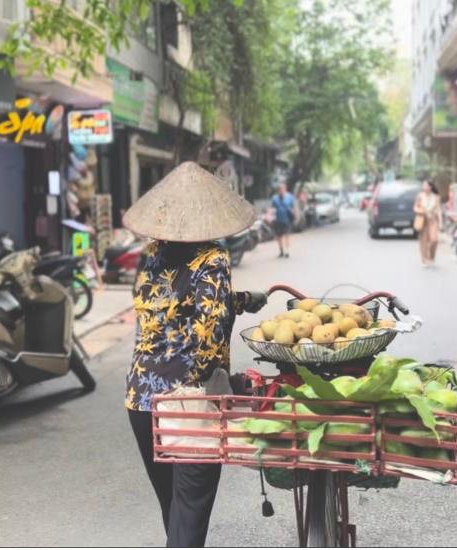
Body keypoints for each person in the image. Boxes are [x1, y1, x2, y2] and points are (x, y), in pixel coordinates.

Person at [122, 162, 268, 548]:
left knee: (174, 511)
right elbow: (208, 332)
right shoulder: (214, 258)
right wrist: (219, 378)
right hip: (186, 403)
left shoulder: (147, 255)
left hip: (141, 397)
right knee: (189, 513)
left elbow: (168, 310)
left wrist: (240, 300)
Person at [414, 181, 443, 267]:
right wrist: (419, 211)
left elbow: (439, 210)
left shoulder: (436, 197)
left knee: (434, 240)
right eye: (423, 185)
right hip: (423, 219)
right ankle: (425, 259)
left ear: (430, 187)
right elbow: (415, 206)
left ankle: (431, 257)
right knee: (423, 240)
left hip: (432, 220)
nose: (424, 186)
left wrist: (440, 222)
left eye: (426, 185)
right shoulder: (420, 196)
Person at [270, 183, 297, 258]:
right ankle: (281, 250)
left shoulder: (289, 197)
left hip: (287, 219)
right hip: (278, 219)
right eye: (280, 189)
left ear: (285, 189)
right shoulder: (275, 198)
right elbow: (272, 207)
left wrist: (296, 216)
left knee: (287, 235)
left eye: (283, 189)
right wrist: (269, 215)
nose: (281, 190)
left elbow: (294, 207)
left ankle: (287, 250)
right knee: (279, 236)